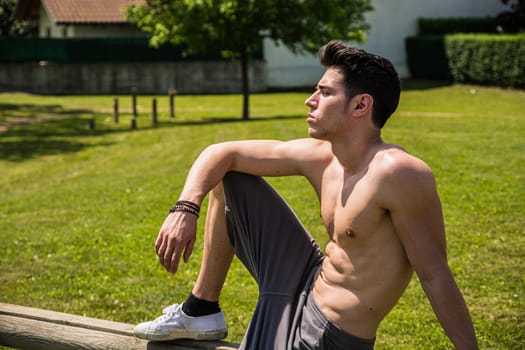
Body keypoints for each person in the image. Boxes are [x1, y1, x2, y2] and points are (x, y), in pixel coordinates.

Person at [134, 40, 478, 349]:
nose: (309, 100)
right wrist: (185, 207)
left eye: (325, 93)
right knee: (229, 174)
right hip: (305, 280)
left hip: (326, 335)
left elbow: (435, 274)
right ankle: (202, 309)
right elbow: (221, 152)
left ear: (361, 105)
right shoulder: (322, 157)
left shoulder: (398, 173)